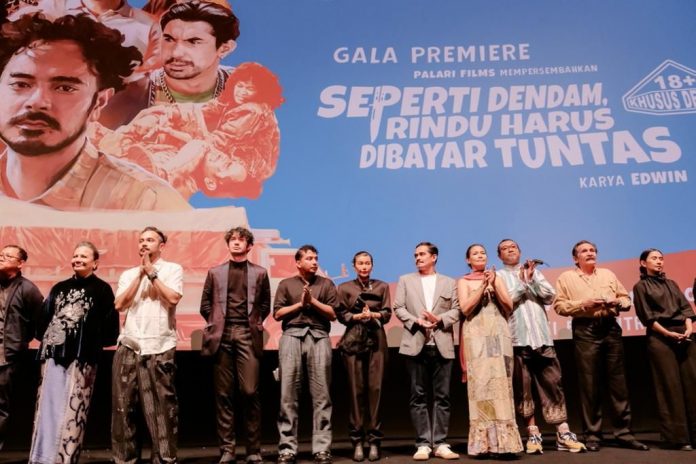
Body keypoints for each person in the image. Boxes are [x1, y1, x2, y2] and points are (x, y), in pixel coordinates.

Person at [0, 13, 190, 211]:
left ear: (99, 102)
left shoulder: (148, 203)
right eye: (20, 84)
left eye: (64, 88)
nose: (36, 102)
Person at [554, 240, 649, 452]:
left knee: (618, 384)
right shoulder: (566, 277)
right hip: (585, 329)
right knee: (589, 385)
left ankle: (624, 433)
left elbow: (625, 298)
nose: (590, 253)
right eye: (584, 251)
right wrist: (583, 304)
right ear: (575, 258)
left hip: (610, 328)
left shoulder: (608, 274)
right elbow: (559, 306)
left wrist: (619, 302)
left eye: (592, 250)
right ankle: (592, 435)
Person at [29, 241, 118, 464]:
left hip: (82, 357)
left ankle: (65, 459)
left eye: (84, 256)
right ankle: (41, 458)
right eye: (75, 255)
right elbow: (42, 321)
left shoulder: (102, 290)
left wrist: (90, 343)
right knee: (46, 407)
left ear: (95, 263)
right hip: (52, 354)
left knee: (73, 409)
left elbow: (110, 328)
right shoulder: (58, 288)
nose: (78, 259)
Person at [496, 239, 585, 454]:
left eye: (513, 247)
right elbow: (506, 300)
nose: (510, 250)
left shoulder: (535, 272)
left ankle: (563, 433)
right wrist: (523, 282)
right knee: (523, 388)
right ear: (499, 256)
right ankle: (533, 434)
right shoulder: (498, 276)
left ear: (520, 251)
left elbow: (550, 296)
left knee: (553, 385)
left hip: (542, 339)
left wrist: (532, 279)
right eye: (505, 248)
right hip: (517, 340)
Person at [112, 226, 184, 464]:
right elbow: (120, 304)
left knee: (161, 408)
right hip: (129, 343)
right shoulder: (129, 274)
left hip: (160, 345)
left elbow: (172, 298)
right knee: (123, 408)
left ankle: (164, 459)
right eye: (141, 240)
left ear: (161, 246)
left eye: (150, 240)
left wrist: (152, 273)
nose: (144, 243)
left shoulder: (172, 269)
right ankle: (124, 460)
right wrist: (140, 275)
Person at [200, 227, 271, 463]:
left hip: (247, 334)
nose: (236, 243)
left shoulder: (260, 273)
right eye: (232, 240)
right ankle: (227, 450)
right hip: (222, 335)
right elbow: (205, 304)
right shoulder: (215, 272)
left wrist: (253, 323)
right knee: (223, 395)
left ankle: (253, 450)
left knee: (250, 391)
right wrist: (216, 323)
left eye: (241, 240)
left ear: (249, 246)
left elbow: (264, 305)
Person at [393, 242, 460, 461]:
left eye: (422, 254)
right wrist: (417, 321)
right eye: (415, 255)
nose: (418, 258)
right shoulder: (406, 280)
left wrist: (439, 319)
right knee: (418, 396)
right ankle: (423, 443)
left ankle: (440, 443)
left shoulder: (449, 282)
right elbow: (398, 307)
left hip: (442, 345)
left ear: (434, 257)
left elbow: (457, 309)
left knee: (443, 397)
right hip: (415, 344)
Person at [273, 245, 338, 464]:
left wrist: (313, 302)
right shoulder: (286, 284)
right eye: (309, 258)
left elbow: (333, 314)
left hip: (319, 336)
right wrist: (300, 304)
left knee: (322, 395)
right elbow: (277, 313)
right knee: (287, 395)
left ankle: (322, 449)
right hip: (291, 335)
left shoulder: (326, 284)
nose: (314, 261)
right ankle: (287, 449)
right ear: (298, 262)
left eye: (316, 258)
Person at [457, 244, 522, 457]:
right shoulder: (464, 281)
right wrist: (481, 287)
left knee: (501, 387)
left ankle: (504, 444)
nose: (480, 255)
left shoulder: (497, 278)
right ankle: (483, 445)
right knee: (482, 387)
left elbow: (508, 306)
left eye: (483, 253)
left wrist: (493, 283)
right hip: (476, 337)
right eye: (475, 253)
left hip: (498, 335)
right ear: (468, 260)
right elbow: (465, 308)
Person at [632, 248, 696, 451]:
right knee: (670, 387)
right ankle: (679, 438)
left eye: (661, 258)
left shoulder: (672, 284)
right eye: (654, 258)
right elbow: (647, 317)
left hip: (684, 335)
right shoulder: (640, 287)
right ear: (643, 263)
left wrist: (688, 328)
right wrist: (668, 334)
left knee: (692, 383)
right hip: (660, 337)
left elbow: (686, 309)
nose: (659, 261)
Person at [336, 251, 392, 462]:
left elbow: (387, 313)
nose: (364, 266)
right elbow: (341, 314)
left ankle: (374, 441)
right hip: (353, 340)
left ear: (372, 265)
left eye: (367, 263)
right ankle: (357, 441)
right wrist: (357, 316)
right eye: (360, 263)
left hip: (376, 339)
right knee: (355, 391)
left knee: (376, 391)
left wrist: (374, 314)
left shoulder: (382, 286)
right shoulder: (344, 287)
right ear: (354, 266)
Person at [0, 244, 43, 451]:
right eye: (1, 255)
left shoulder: (28, 289)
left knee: (1, 406)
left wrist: (20, 342)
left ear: (20, 263)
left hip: (6, 357)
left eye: (8, 256)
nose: (2, 258)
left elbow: (39, 322)